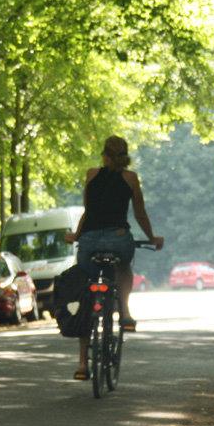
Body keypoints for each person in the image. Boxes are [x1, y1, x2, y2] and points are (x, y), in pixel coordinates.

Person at [64, 135, 164, 380]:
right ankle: (126, 313)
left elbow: (89, 212)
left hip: (89, 241)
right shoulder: (130, 178)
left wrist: (76, 235)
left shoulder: (91, 175)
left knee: (86, 295)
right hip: (119, 239)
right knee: (124, 267)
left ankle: (81, 364)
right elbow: (139, 213)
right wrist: (151, 237)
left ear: (105, 156)